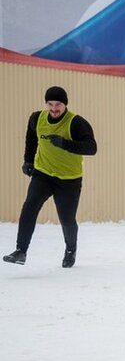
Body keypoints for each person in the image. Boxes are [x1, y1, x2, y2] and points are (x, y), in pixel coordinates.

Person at [3, 86, 97, 268]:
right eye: (50, 104)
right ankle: (20, 250)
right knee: (30, 206)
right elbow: (31, 138)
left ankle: (70, 250)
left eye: (58, 104)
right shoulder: (37, 118)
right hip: (43, 173)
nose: (54, 108)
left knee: (67, 218)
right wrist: (28, 161)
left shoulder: (76, 123)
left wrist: (65, 144)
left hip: (69, 179)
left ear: (65, 104)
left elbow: (91, 148)